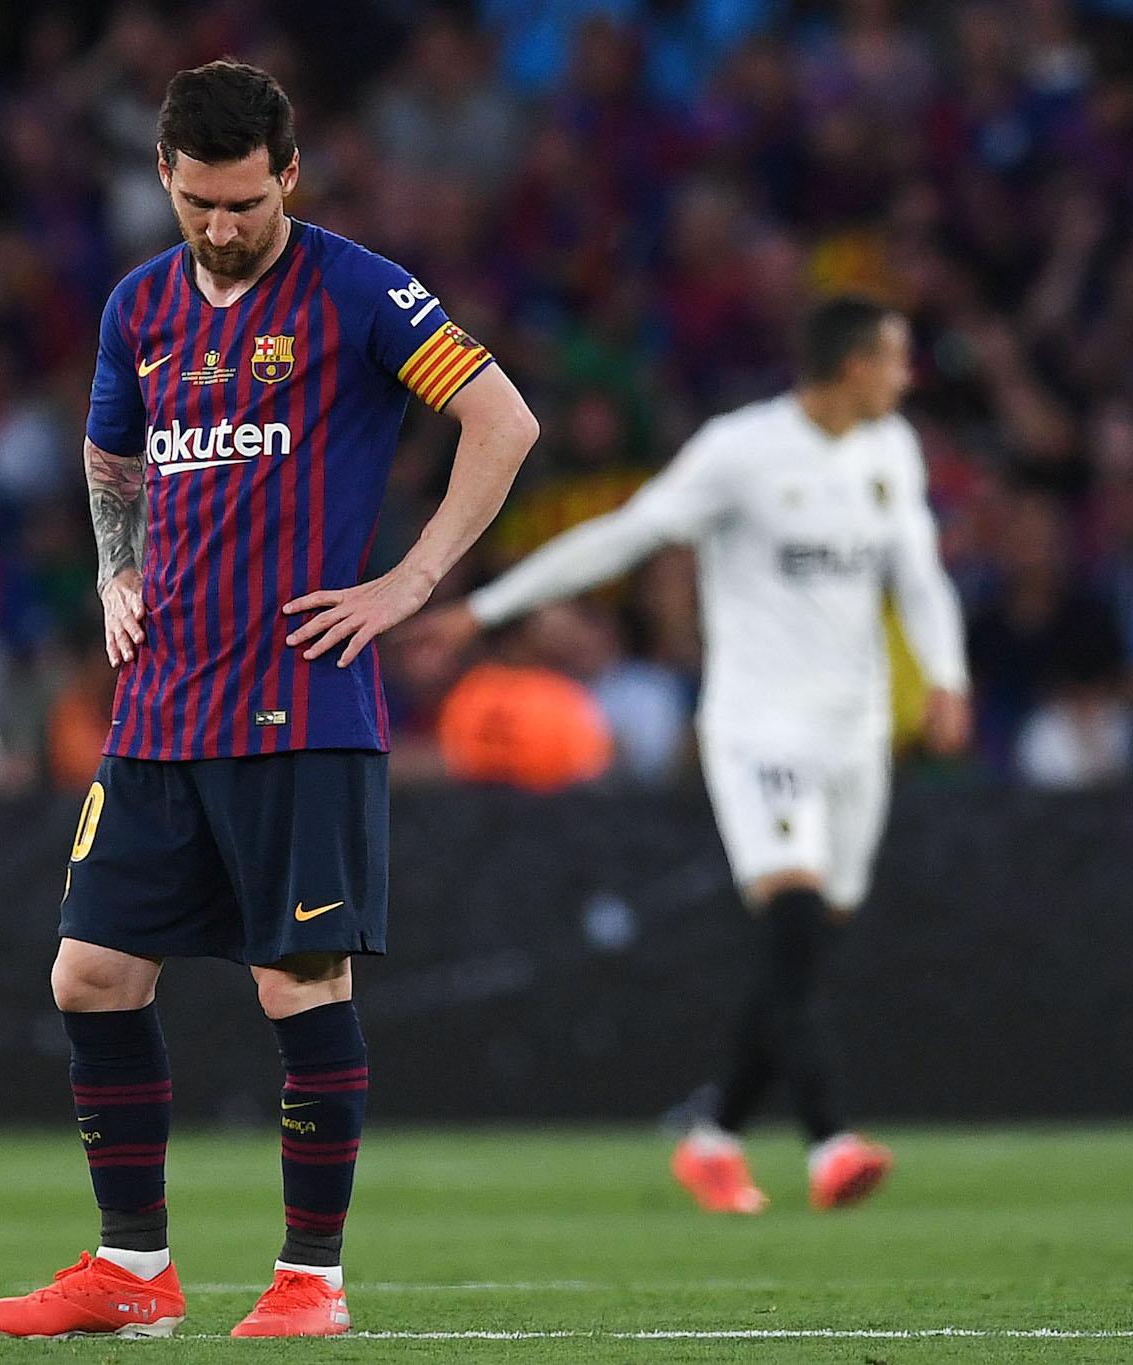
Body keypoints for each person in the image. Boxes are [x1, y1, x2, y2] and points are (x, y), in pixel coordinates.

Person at [0, 60, 537, 1341]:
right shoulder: (139, 305)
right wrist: (116, 571)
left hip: (301, 706)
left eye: (242, 203)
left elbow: (501, 421)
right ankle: (131, 1272)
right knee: (90, 976)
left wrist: (406, 583)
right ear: (163, 179)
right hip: (160, 710)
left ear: (288, 175)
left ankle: (309, 1283)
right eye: (195, 203)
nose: (219, 229)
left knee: (297, 983)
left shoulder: (356, 288)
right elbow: (111, 448)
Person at [414, 295, 969, 1214]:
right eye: (894, 361)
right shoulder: (741, 451)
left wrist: (947, 676)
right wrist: (488, 607)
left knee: (805, 951)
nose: (907, 379)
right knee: (793, 924)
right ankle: (831, 1142)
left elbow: (918, 574)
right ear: (850, 367)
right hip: (760, 727)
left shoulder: (890, 450)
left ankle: (714, 1137)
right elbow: (625, 535)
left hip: (855, 735)